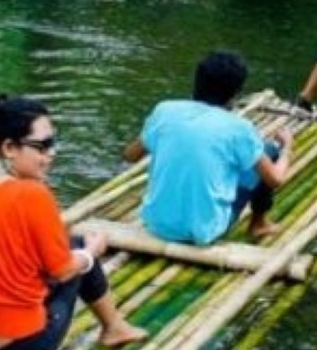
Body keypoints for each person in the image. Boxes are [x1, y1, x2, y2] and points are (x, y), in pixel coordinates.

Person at [0, 88, 147, 350]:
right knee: (79, 250)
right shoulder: (32, 195)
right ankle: (115, 328)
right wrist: (90, 253)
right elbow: (61, 270)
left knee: (69, 247)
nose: (52, 153)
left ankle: (115, 326)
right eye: (43, 145)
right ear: (9, 148)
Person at [125, 51, 294, 246]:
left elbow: (130, 155)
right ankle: (258, 224)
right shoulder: (238, 128)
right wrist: (287, 147)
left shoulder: (165, 110)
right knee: (269, 150)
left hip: (157, 225)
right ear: (236, 93)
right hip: (205, 231)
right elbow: (275, 179)